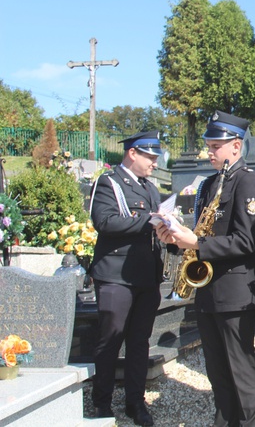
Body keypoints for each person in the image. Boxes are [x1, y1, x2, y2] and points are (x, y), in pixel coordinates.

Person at [156, 111, 255, 427]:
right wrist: (176, 237)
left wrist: (197, 244)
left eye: (215, 146)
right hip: (207, 292)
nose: (209, 151)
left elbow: (246, 241)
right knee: (218, 372)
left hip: (234, 292)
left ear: (235, 145)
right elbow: (200, 232)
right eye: (208, 145)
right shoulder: (209, 183)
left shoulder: (248, 182)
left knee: (241, 371)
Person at [89, 131, 165, 425]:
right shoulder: (109, 183)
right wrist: (148, 222)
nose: (155, 163)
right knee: (110, 339)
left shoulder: (150, 188)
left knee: (139, 342)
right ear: (133, 153)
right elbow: (104, 221)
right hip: (116, 275)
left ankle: (135, 401)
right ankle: (102, 403)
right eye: (151, 157)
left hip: (147, 275)